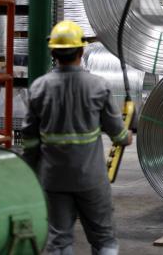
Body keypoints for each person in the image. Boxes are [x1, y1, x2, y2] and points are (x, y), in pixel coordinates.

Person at [22, 20, 132, 255]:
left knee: (59, 240)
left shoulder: (39, 88)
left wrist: (32, 169)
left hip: (53, 178)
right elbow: (117, 132)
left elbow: (29, 139)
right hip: (90, 178)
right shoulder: (98, 86)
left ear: (53, 53)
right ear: (81, 51)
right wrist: (126, 137)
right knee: (104, 240)